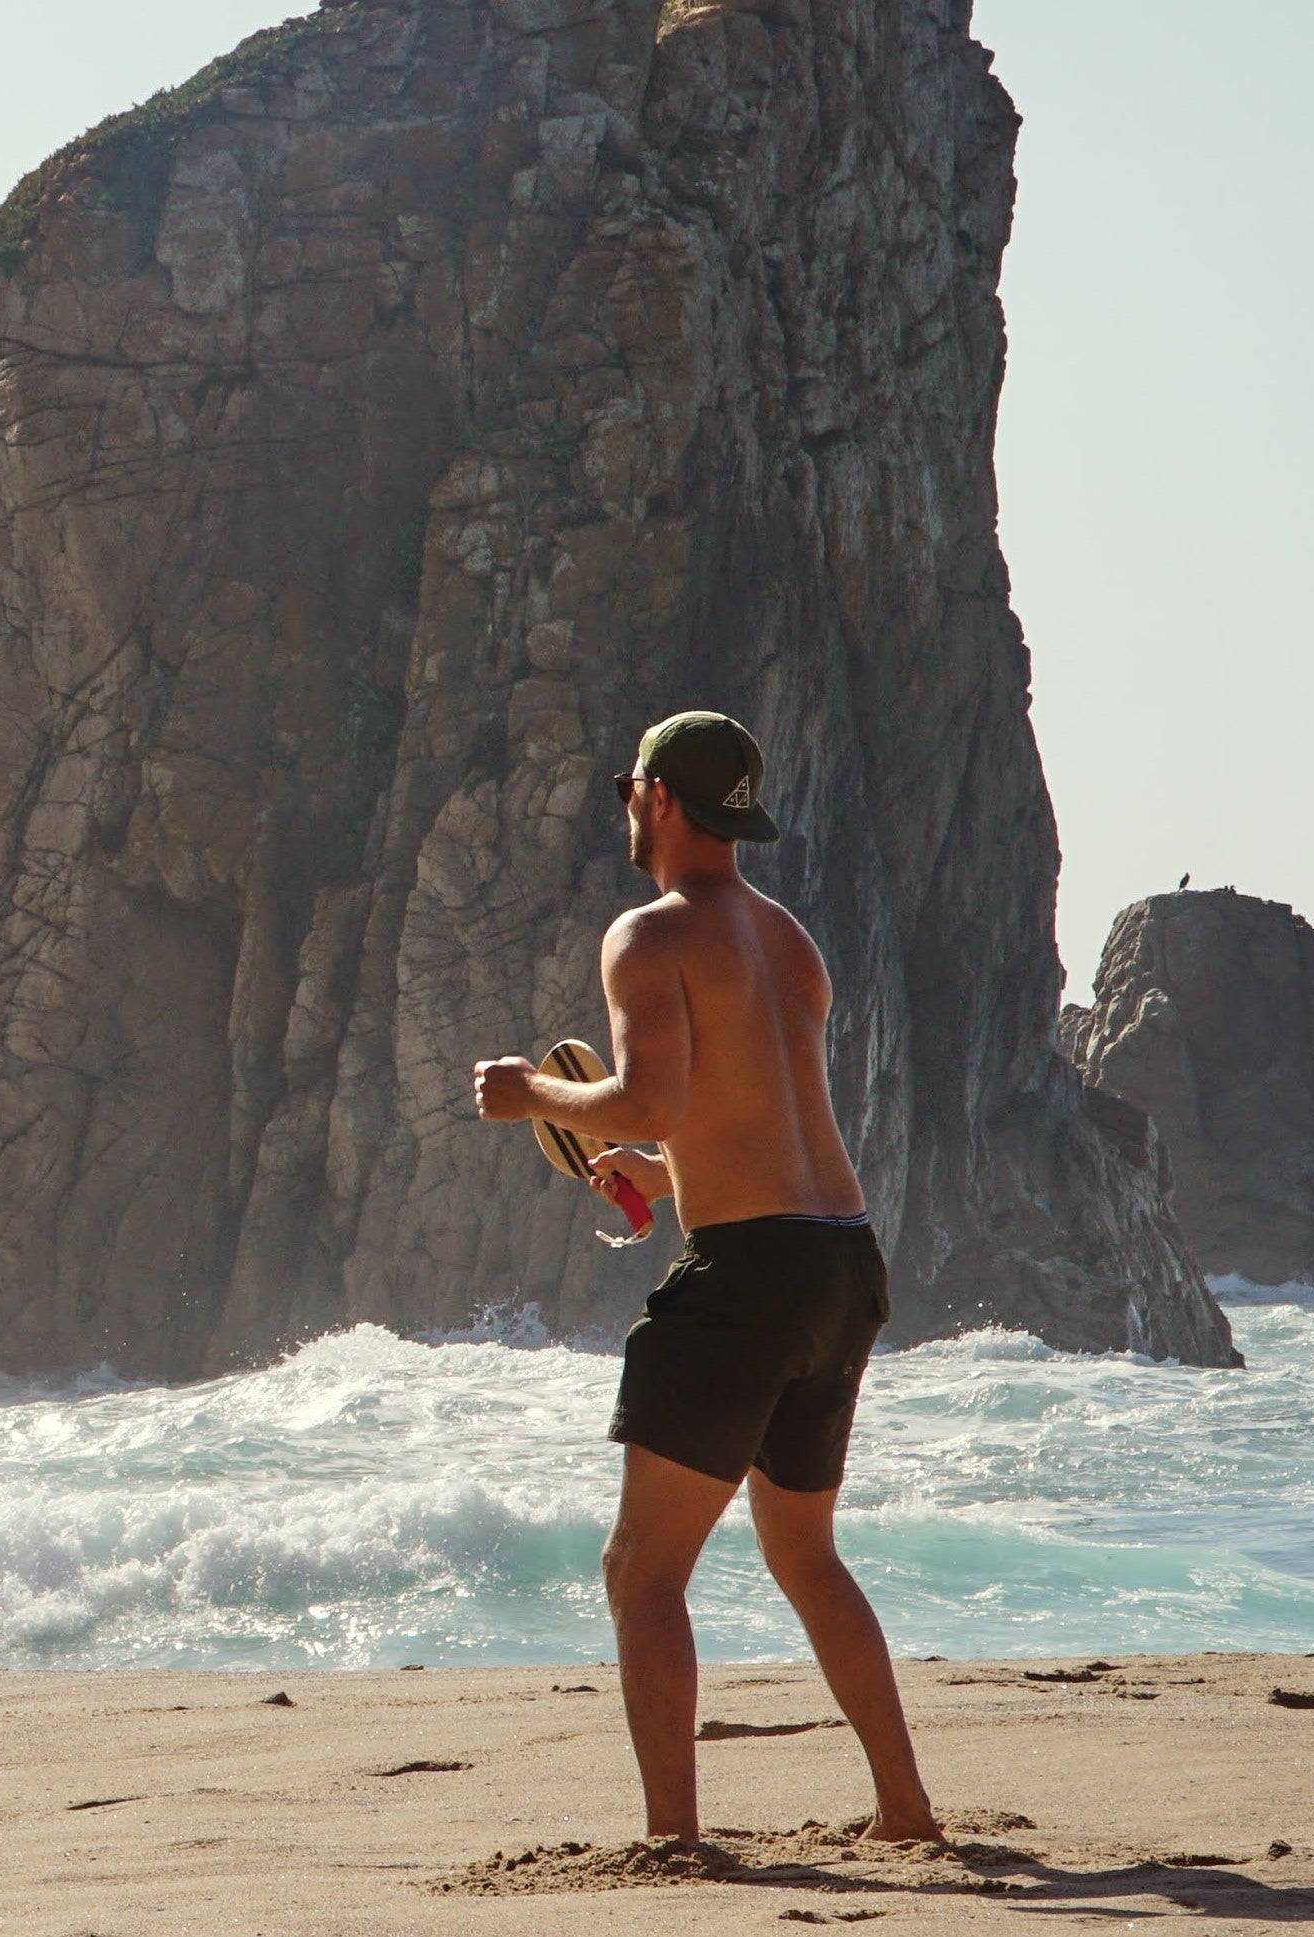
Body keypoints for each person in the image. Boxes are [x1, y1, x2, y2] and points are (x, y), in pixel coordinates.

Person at [471, 712, 942, 1848]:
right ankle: (905, 1808)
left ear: (661, 799)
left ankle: (674, 1840)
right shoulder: (787, 939)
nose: (626, 806)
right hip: (841, 1258)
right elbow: (747, 1110)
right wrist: (659, 1168)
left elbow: (646, 1097)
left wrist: (529, 1095)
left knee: (640, 1572)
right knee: (804, 1553)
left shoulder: (647, 935)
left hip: (751, 1273)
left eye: (629, 787)